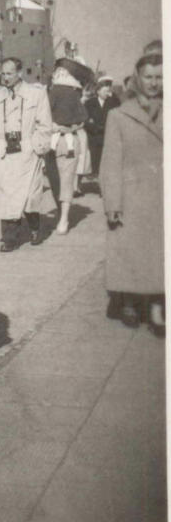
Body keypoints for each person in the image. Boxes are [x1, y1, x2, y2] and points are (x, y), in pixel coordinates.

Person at [101, 53, 164, 335]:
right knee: (130, 251)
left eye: (159, 77)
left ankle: (157, 305)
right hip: (131, 195)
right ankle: (128, 300)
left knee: (159, 252)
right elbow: (111, 163)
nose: (154, 83)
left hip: (161, 195)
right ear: (138, 78)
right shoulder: (119, 115)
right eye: (148, 76)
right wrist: (112, 202)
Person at [0, 57, 52, 252]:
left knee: (29, 196)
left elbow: (45, 125)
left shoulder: (36, 94)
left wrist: (36, 146)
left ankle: (34, 227)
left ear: (20, 73)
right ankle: (9, 238)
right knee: (5, 196)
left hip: (27, 151)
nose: (5, 78)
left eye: (9, 73)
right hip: (4, 152)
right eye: (3, 74)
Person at [46, 58, 92, 235]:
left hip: (54, 142)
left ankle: (62, 216)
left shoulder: (54, 91)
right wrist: (69, 128)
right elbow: (83, 119)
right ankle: (63, 218)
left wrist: (55, 126)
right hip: (70, 141)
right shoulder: (74, 93)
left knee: (56, 181)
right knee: (66, 180)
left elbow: (42, 116)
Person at [85, 76, 120, 176]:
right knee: (95, 160)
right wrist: (95, 128)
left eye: (108, 91)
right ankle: (95, 175)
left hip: (108, 136)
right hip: (94, 137)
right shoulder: (90, 103)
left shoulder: (113, 102)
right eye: (105, 91)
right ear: (98, 91)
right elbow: (86, 120)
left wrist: (112, 96)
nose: (107, 93)